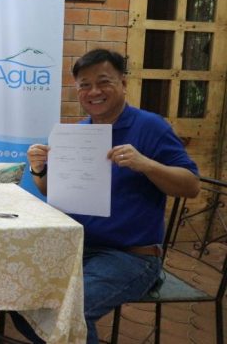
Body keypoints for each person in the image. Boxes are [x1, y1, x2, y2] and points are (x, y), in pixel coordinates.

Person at [17, 49, 200, 343]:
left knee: (72, 311)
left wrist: (146, 164)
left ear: (123, 83)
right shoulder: (77, 133)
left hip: (131, 256)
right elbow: (54, 192)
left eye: (104, 82)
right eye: (85, 85)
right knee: (19, 297)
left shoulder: (150, 126)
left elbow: (191, 185)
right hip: (78, 247)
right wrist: (39, 169)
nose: (94, 91)